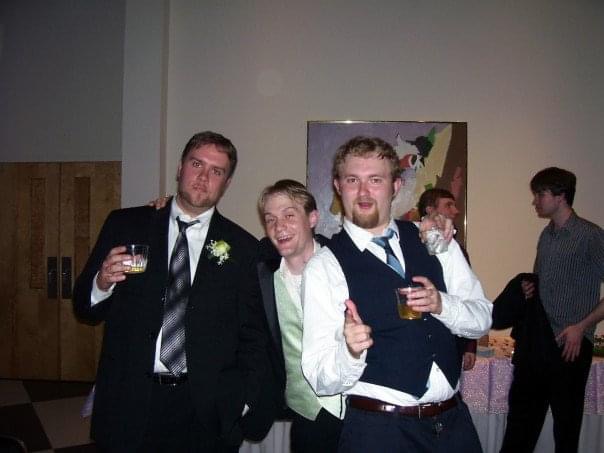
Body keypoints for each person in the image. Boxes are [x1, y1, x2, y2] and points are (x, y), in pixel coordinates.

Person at [73, 131, 274, 452]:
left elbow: (253, 335)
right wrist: (102, 283)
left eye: (216, 171)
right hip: (129, 398)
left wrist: (244, 399)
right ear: (180, 168)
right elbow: (84, 307)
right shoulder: (126, 224)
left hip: (204, 408)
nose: (203, 177)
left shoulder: (243, 247)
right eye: (197, 164)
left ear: (226, 183)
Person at [301, 135, 492, 453]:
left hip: (453, 425)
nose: (364, 192)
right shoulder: (325, 265)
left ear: (396, 186)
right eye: (353, 180)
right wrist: (350, 352)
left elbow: (482, 319)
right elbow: (320, 378)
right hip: (379, 433)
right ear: (338, 186)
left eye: (375, 180)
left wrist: (443, 305)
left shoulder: (432, 237)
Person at [499, 167, 604, 453]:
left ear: (560, 196)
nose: (535, 201)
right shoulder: (546, 235)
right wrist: (530, 288)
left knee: (565, 430)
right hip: (539, 344)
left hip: (571, 346)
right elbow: (544, 283)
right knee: (520, 424)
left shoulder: (590, 235)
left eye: (540, 194)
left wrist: (581, 327)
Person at [257, 179, 344, 453]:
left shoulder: (344, 262)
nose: (279, 227)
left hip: (358, 411)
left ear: (313, 218)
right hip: (305, 415)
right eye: (270, 219)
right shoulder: (260, 274)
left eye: (289, 216)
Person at [417, 188, 477, 370]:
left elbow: (467, 296)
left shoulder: (455, 248)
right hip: (420, 336)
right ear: (430, 210)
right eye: (449, 205)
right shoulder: (410, 243)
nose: (456, 211)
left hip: (453, 335)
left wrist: (470, 345)